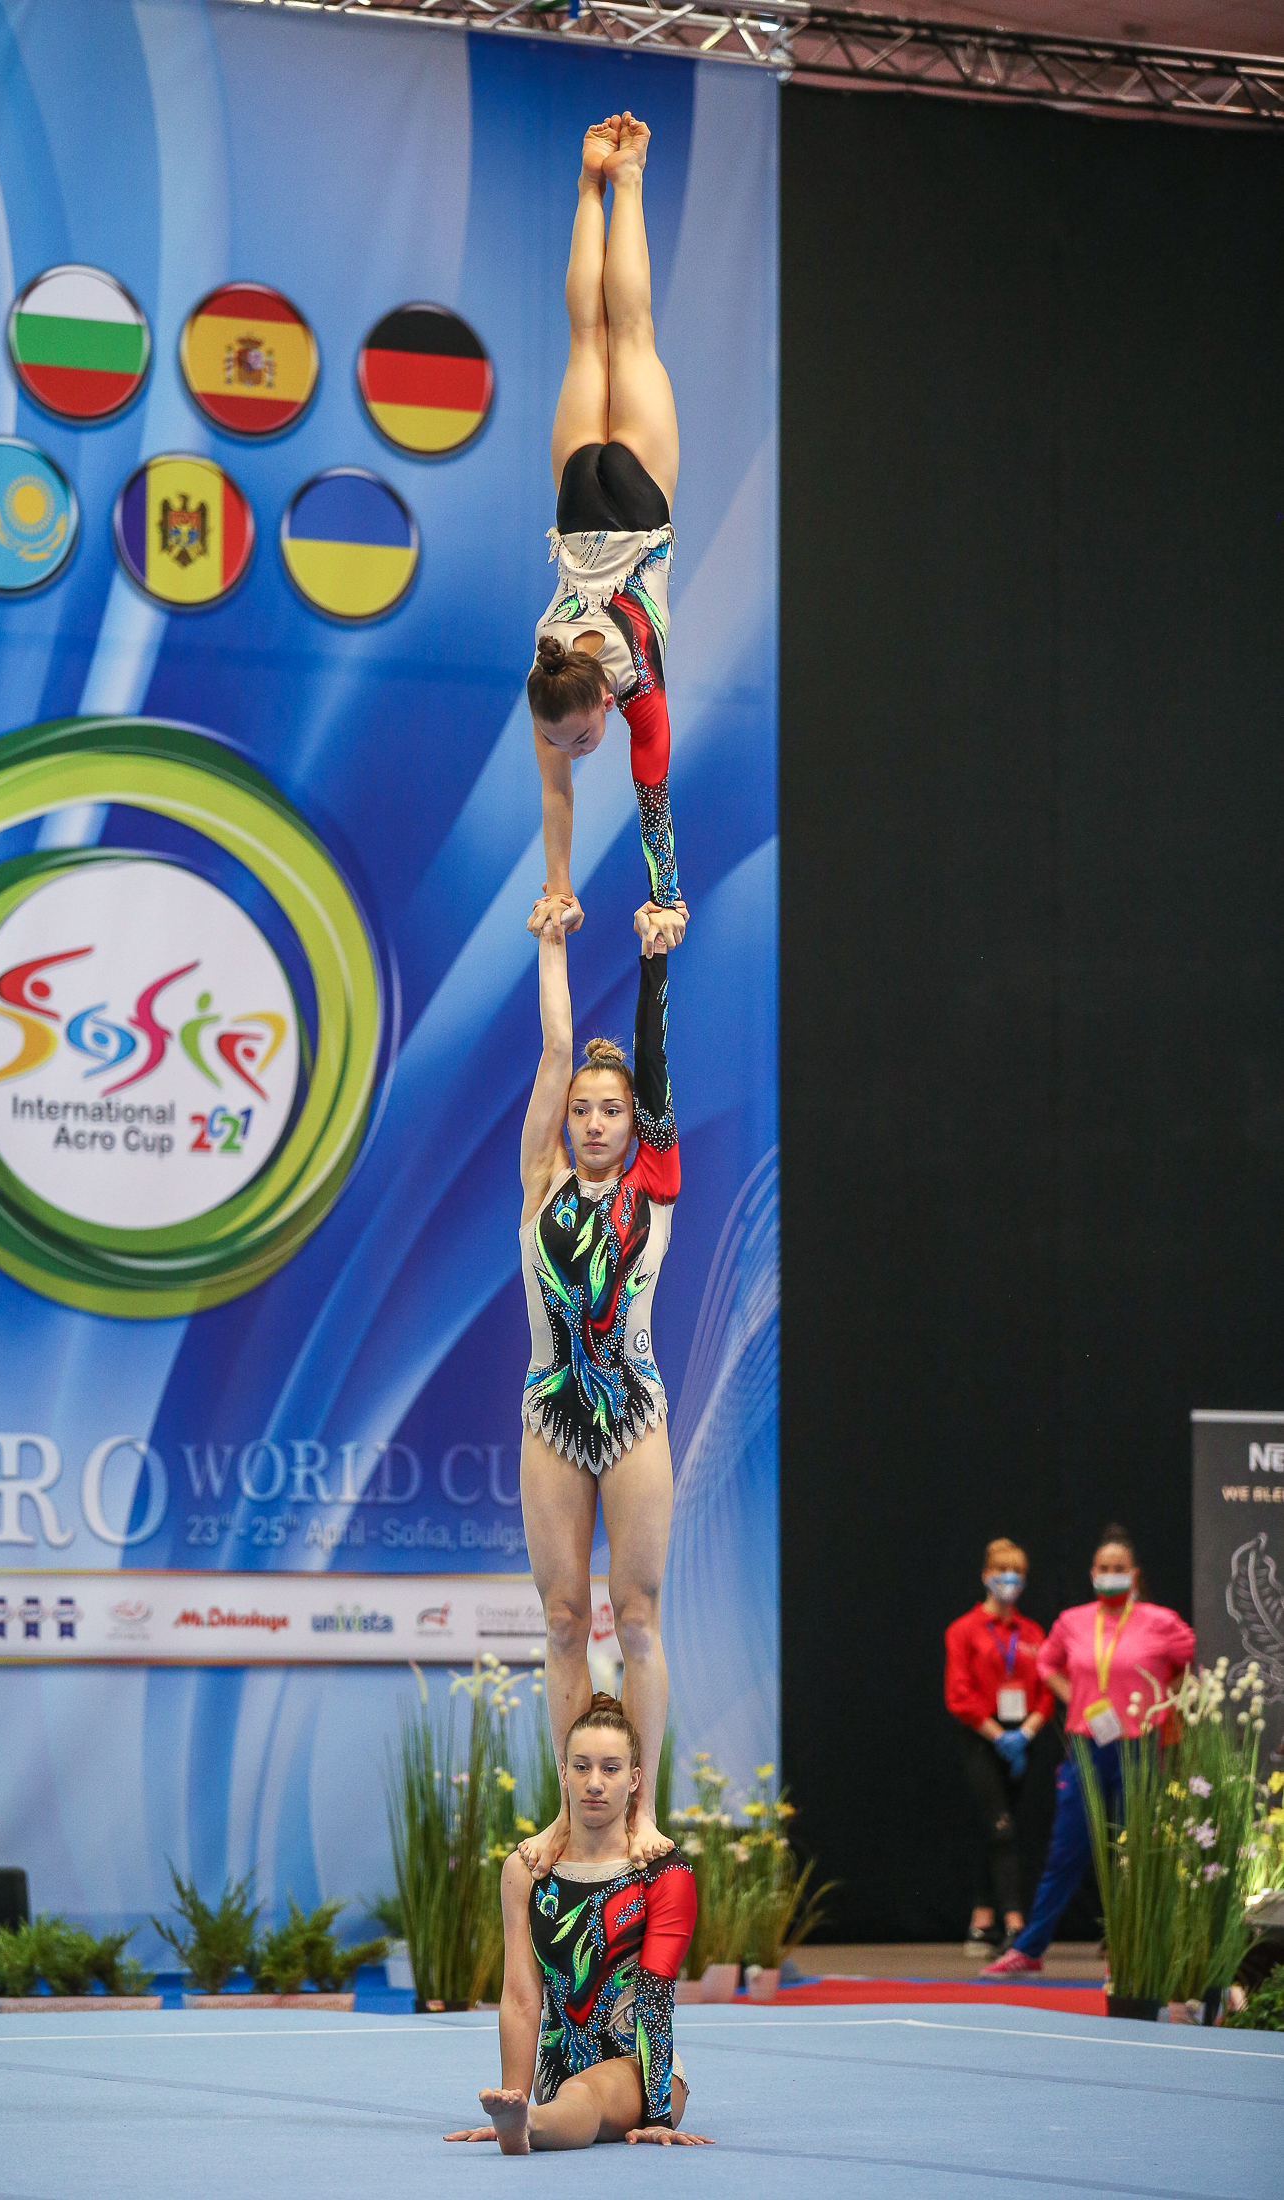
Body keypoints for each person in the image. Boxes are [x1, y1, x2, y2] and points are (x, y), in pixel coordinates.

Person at [514, 903, 679, 1875]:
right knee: (565, 1619)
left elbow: (653, 1068)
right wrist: (552, 944)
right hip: (550, 1414)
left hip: (634, 1414)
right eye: (582, 1109)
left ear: (631, 1120)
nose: (594, 1121)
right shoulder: (539, 1178)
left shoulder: (653, 1183)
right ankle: (571, 1816)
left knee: (638, 1615)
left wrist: (654, 964)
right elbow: (555, 1048)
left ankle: (643, 1810)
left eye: (610, 1109)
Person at [526, 112, 686, 959]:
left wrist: (667, 896)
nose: (577, 749)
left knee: (627, 331)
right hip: (575, 505)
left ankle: (624, 179)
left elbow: (651, 796)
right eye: (571, 742)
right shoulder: (548, 676)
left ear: (599, 703)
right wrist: (558, 884)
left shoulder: (635, 688)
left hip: (636, 502)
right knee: (590, 337)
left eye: (582, 737)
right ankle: (591, 182)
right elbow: (558, 796)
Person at [444, 1695, 710, 2151]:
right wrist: (513, 2097)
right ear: (563, 1773)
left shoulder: (663, 1872)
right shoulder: (527, 1870)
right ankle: (525, 2118)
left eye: (611, 1769)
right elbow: (520, 1997)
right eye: (582, 1767)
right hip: (556, 2068)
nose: (595, 1783)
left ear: (635, 1779)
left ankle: (530, 2126)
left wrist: (658, 2116)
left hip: (640, 2069)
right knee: (571, 2091)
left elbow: (655, 1996)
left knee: (583, 2093)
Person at [984, 1524, 1195, 1977]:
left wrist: (1162, 1702)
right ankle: (1030, 1948)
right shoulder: (1072, 1621)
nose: (1111, 1574)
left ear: (1133, 1575)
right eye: (1104, 1567)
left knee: (1139, 1852)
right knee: (1066, 1851)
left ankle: (1133, 1951)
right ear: (1092, 1573)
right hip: (1087, 1745)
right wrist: (1075, 1698)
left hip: (1138, 1747)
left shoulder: (1160, 1621)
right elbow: (1047, 1665)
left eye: (1120, 1568)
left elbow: (1186, 1662)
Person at [943, 1537, 1054, 1956]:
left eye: (1018, 1572)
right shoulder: (964, 1630)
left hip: (1023, 1737)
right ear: (986, 1576)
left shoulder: (1033, 1633)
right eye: (1003, 1571)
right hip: (982, 1737)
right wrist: (997, 1736)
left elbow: (1046, 1690)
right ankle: (1014, 1922)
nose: (1011, 1579)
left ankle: (980, 1921)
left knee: (999, 1829)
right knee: (1000, 1827)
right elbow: (958, 1694)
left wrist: (1025, 1733)